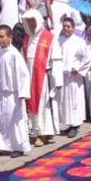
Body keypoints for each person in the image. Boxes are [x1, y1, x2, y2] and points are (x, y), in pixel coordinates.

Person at [0, 25, 31, 157]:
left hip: (13, 93)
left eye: (2, 36)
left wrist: (22, 93)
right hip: (1, 92)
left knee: (15, 121)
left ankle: (18, 146)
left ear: (10, 37)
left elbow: (23, 74)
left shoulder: (14, 54)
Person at [21, 8, 62, 145]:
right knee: (33, 105)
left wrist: (57, 81)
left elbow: (56, 60)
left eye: (33, 21)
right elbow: (23, 60)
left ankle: (44, 133)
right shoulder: (26, 40)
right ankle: (39, 131)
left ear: (38, 21)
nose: (31, 24)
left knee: (44, 106)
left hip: (44, 78)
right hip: (30, 77)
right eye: (29, 22)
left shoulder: (48, 38)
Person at [57, 16, 91, 138]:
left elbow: (88, 58)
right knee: (65, 101)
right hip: (63, 75)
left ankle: (75, 125)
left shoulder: (79, 41)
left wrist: (77, 68)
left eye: (68, 26)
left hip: (74, 77)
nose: (66, 29)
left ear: (73, 28)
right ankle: (70, 124)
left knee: (74, 101)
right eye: (64, 26)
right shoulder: (59, 40)